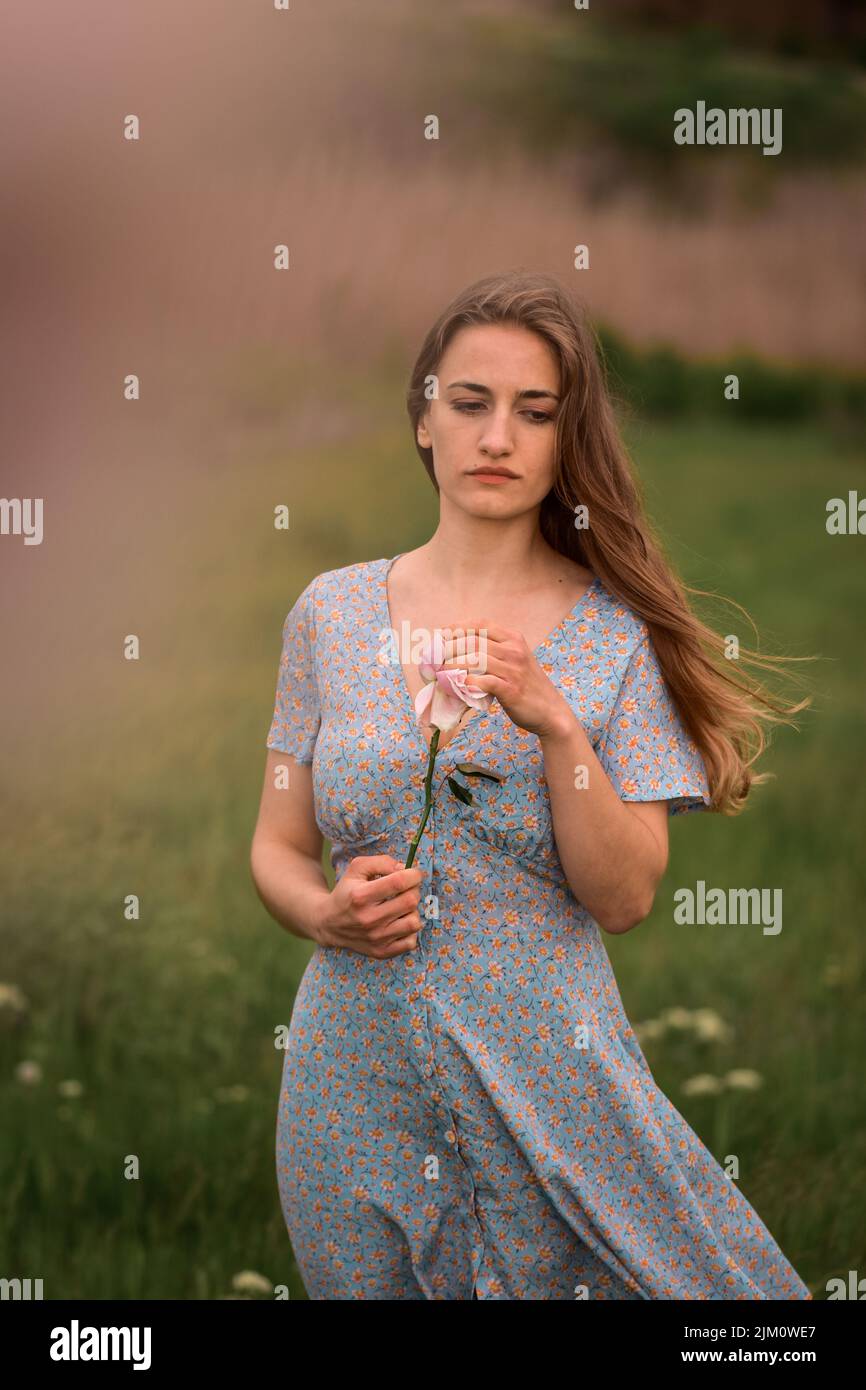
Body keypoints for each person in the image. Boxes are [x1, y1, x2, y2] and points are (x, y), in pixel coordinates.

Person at [250, 270, 812, 1300]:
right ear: (423, 418)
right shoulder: (326, 614)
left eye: (533, 412)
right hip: (348, 1074)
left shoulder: (612, 636)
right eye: (468, 403)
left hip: (549, 1066)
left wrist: (555, 722)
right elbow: (277, 845)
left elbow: (624, 896)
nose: (496, 437)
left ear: (565, 441)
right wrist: (323, 912)